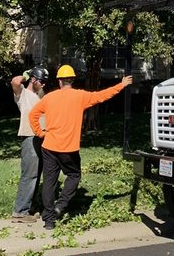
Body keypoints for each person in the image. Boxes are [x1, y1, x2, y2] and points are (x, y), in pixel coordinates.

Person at [29, 64, 133, 230]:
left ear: (60, 81)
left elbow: (32, 115)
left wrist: (40, 133)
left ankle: (49, 220)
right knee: (74, 175)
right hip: (68, 150)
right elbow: (102, 96)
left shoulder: (49, 97)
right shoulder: (80, 96)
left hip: (49, 147)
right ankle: (60, 206)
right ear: (72, 80)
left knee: (49, 182)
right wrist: (121, 84)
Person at [10, 65, 49, 221]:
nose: (44, 84)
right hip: (29, 138)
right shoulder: (23, 94)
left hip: (41, 138)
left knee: (36, 174)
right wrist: (27, 74)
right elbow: (15, 81)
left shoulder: (40, 96)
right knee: (29, 175)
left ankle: (29, 207)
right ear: (33, 80)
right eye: (42, 81)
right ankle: (20, 211)